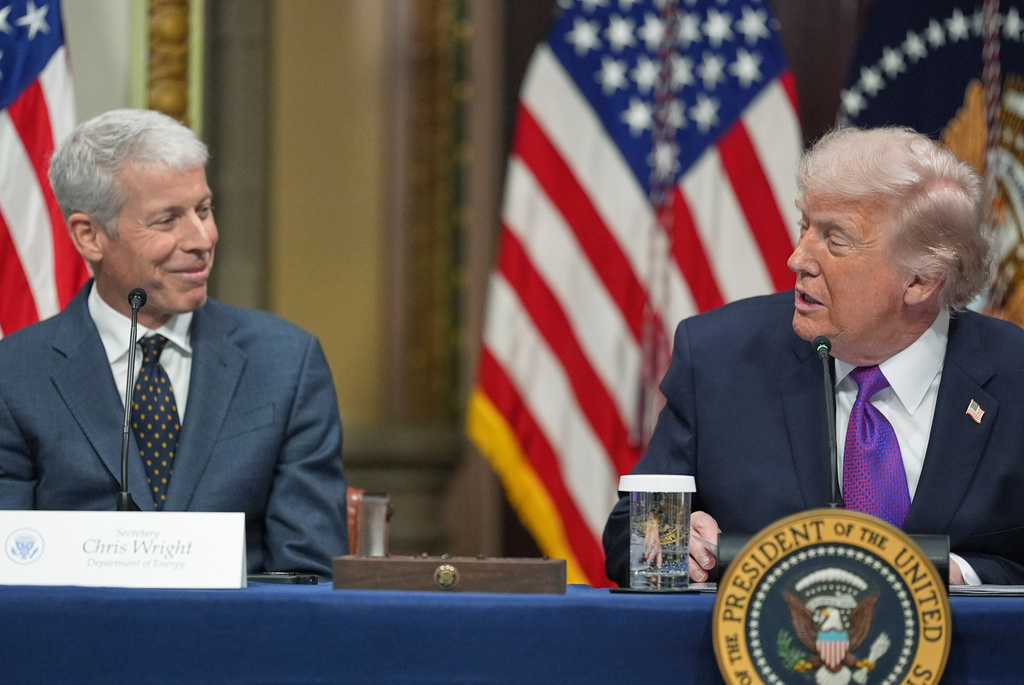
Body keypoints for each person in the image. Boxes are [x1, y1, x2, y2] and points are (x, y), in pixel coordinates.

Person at [604, 126, 1024, 586]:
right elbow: (631, 532)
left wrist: (961, 575)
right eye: (806, 226)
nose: (798, 258)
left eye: (835, 239)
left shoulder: (1013, 374)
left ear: (921, 281)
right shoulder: (718, 358)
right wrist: (670, 545)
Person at [0, 109, 348, 577]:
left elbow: (309, 576)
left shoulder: (286, 364)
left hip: (235, 642)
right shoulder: (14, 376)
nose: (201, 239)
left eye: (203, 210)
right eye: (167, 220)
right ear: (90, 236)